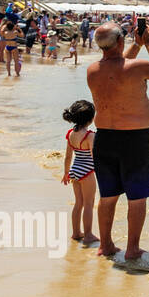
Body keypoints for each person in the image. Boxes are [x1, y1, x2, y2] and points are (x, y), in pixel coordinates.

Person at [86, 21, 149, 260]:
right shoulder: (136, 67)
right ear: (120, 41)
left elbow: (119, 65)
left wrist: (135, 45)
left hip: (105, 138)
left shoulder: (93, 70)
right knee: (137, 198)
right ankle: (132, 249)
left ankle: (106, 245)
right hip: (135, 138)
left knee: (108, 196)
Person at [61, 100, 98, 246]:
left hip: (74, 171)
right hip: (87, 172)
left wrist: (66, 173)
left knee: (78, 203)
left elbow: (68, 156)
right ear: (90, 119)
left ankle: (76, 232)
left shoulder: (70, 134)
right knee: (89, 204)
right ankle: (88, 234)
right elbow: (95, 157)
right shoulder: (89, 135)